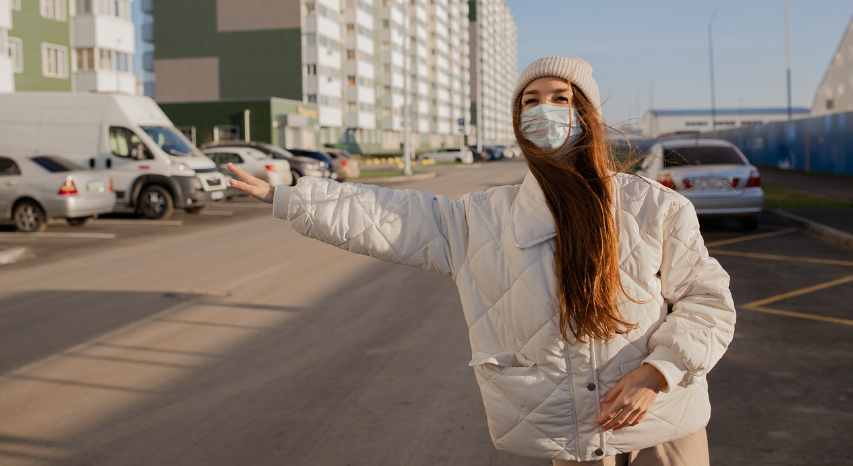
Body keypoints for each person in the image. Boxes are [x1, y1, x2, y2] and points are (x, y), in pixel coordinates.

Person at [227, 56, 735, 465]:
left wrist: (658, 372)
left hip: (666, 425)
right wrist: (291, 197)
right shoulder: (483, 216)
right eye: (530, 101)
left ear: (586, 114)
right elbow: (384, 214)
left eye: (560, 98)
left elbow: (708, 303)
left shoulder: (654, 205)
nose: (544, 109)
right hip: (577, 436)